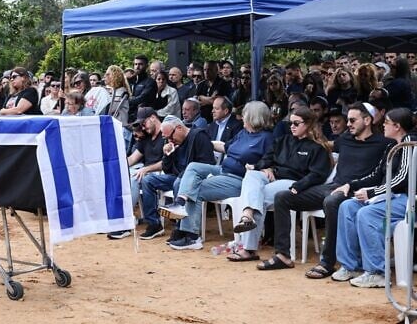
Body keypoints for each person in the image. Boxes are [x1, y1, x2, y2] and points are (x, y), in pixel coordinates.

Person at [261, 102, 390, 275]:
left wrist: (353, 186)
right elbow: (323, 144)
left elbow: (380, 174)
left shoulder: (383, 143)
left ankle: (327, 262)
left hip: (357, 192)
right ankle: (282, 255)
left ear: (367, 121)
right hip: (333, 187)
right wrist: (306, 137)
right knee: (282, 197)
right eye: (348, 120)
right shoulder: (345, 139)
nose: (348, 124)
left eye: (352, 120)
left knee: (331, 201)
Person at [160, 101, 274, 251]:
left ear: (253, 118)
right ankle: (180, 203)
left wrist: (267, 168)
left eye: (245, 116)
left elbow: (271, 159)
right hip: (222, 170)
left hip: (238, 179)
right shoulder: (243, 133)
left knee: (194, 189)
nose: (241, 118)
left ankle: (192, 237)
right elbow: (224, 147)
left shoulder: (266, 138)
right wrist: (203, 141)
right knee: (193, 167)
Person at [231, 106, 332, 269]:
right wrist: (265, 168)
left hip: (293, 183)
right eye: (290, 123)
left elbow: (317, 174)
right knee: (252, 176)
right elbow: (265, 159)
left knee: (258, 196)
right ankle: (248, 215)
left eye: (296, 123)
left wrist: (299, 186)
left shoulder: (317, 148)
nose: (292, 126)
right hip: (273, 177)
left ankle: (249, 248)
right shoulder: (283, 140)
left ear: (308, 124)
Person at [334, 108, 414, 287]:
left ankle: (377, 272)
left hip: (408, 199)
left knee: (367, 214)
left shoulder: (409, 143)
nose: (382, 125)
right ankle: (351, 266)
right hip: (390, 196)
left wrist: (372, 193)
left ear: (397, 126)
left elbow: (402, 178)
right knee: (347, 206)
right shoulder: (391, 145)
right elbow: (377, 175)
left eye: (386, 122)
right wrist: (351, 185)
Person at [138, 116, 215, 240]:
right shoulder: (173, 141)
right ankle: (154, 224)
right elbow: (167, 169)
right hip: (175, 177)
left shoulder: (199, 136)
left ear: (179, 128)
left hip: (194, 180)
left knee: (178, 183)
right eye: (167, 138)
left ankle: (180, 228)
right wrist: (167, 155)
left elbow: (208, 164)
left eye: (170, 137)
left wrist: (185, 175)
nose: (170, 140)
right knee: (147, 180)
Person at [108, 108, 164, 240]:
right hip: (146, 171)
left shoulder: (166, 133)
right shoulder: (146, 138)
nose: (142, 127)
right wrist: (115, 167)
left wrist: (146, 169)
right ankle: (115, 218)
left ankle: (125, 223)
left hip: (161, 172)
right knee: (122, 176)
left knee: (134, 178)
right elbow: (133, 158)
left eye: (144, 123)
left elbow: (166, 162)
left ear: (153, 118)